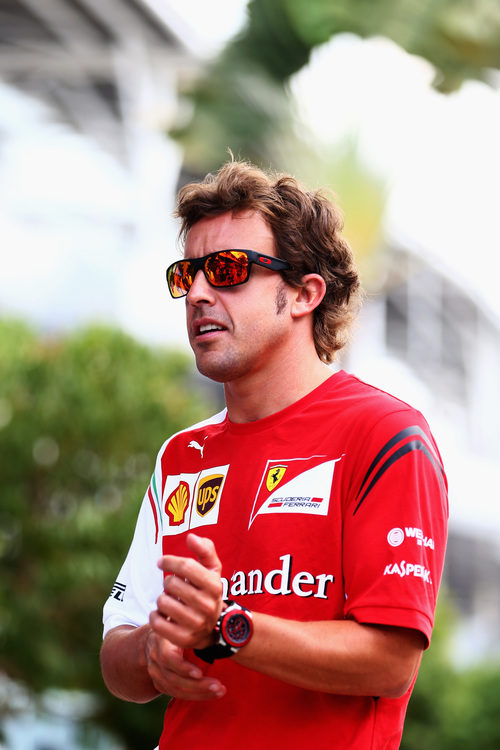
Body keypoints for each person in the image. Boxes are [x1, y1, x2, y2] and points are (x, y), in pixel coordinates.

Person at [100, 159, 448, 750]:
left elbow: (391, 663)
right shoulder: (182, 455)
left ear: (304, 294)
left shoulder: (386, 436)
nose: (199, 293)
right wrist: (154, 648)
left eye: (228, 270)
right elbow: (117, 659)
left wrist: (228, 629)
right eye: (188, 274)